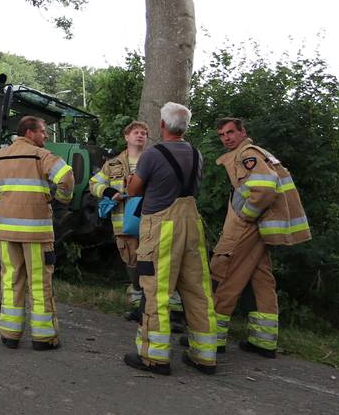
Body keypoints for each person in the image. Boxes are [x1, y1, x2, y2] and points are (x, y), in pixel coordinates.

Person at [122, 103, 217, 376]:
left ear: (162, 126)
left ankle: (154, 357)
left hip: (161, 226)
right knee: (198, 291)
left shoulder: (153, 154)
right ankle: (204, 355)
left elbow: (134, 189)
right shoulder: (197, 154)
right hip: (192, 224)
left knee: (156, 290)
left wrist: (132, 180)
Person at [207, 117, 310, 359]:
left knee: (225, 271)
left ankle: (212, 337)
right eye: (222, 135)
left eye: (230, 132)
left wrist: (246, 216)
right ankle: (263, 341)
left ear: (243, 132)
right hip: (260, 227)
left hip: (248, 225)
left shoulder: (247, 154)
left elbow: (265, 187)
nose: (226, 138)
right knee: (261, 278)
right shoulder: (257, 153)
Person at [0, 116, 74, 352]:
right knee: (39, 283)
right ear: (29, 132)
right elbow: (66, 177)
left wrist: (0, 201)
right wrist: (61, 201)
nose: (46, 136)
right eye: (44, 131)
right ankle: (43, 338)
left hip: (7, 233)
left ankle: (10, 334)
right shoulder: (41, 156)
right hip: (37, 233)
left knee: (11, 280)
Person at [90, 122, 186, 324]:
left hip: (153, 220)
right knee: (132, 263)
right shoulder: (113, 163)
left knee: (156, 262)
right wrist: (109, 192)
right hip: (123, 222)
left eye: (144, 133)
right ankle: (139, 304)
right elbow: (94, 183)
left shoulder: (155, 158)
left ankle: (171, 308)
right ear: (126, 136)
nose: (140, 135)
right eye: (136, 132)